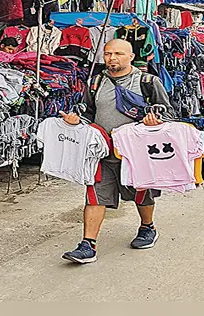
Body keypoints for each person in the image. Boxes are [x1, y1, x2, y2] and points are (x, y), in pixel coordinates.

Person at [59, 39, 171, 264]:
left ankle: (147, 227)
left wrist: (154, 121)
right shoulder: (96, 82)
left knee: (142, 193)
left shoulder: (148, 81)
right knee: (94, 195)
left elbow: (167, 113)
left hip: (137, 153)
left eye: (118, 53)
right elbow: (88, 112)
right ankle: (87, 245)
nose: (112, 58)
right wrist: (75, 120)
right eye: (108, 54)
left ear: (130, 56)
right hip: (102, 151)